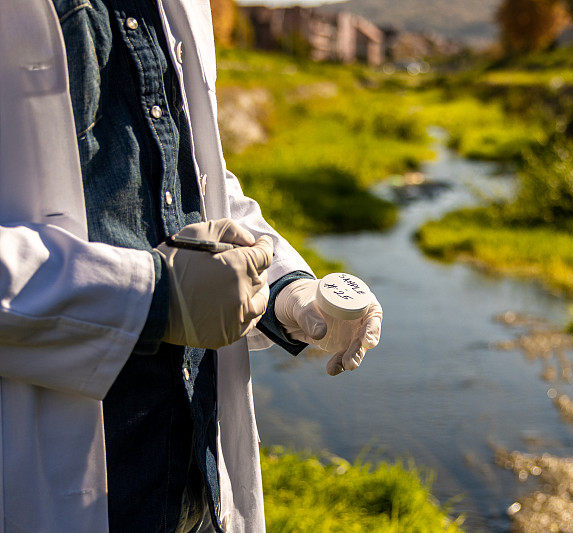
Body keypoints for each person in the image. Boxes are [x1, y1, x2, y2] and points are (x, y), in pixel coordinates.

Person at [0, 0, 382, 531]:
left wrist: (285, 290)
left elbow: (199, 182)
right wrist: (150, 298)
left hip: (195, 482)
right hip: (53, 485)